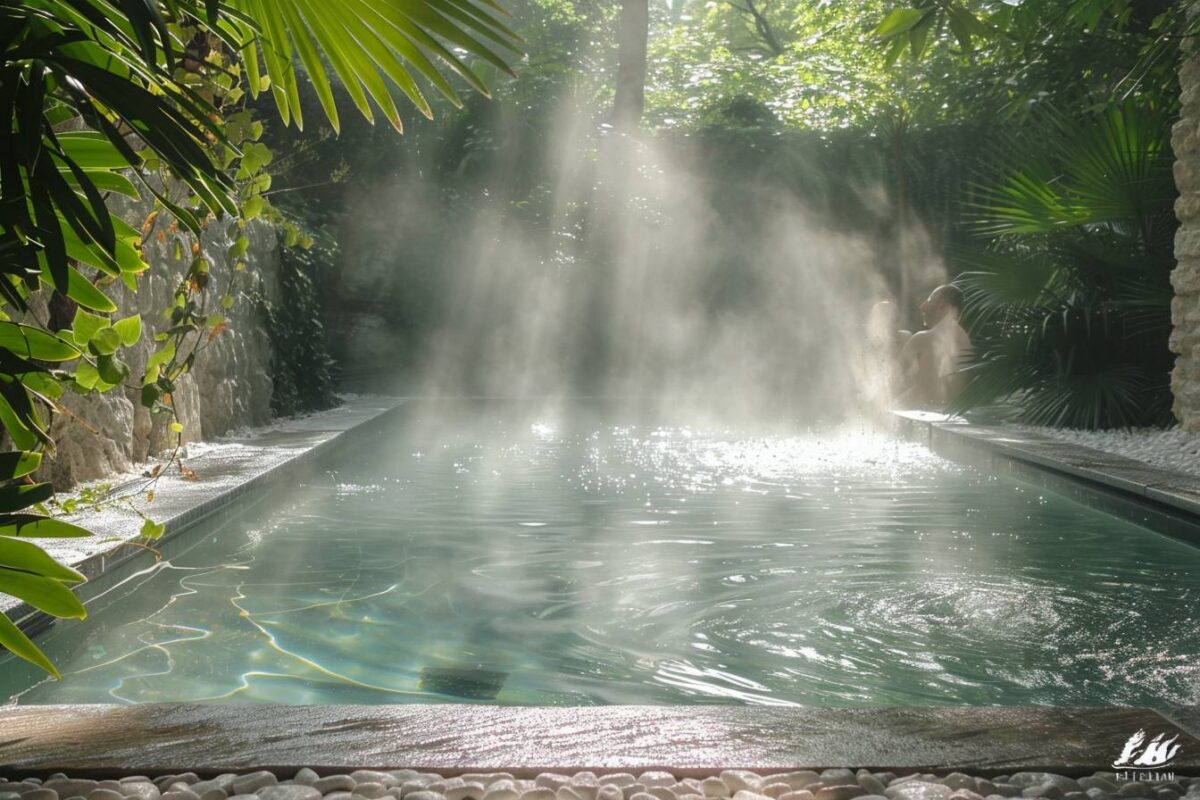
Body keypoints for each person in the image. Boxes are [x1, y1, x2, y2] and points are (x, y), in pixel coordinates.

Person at [894, 284, 972, 410]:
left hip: (920, 415)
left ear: (942, 305)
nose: (922, 306)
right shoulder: (966, 342)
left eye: (929, 300)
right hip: (950, 414)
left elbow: (892, 377)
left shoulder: (923, 338)